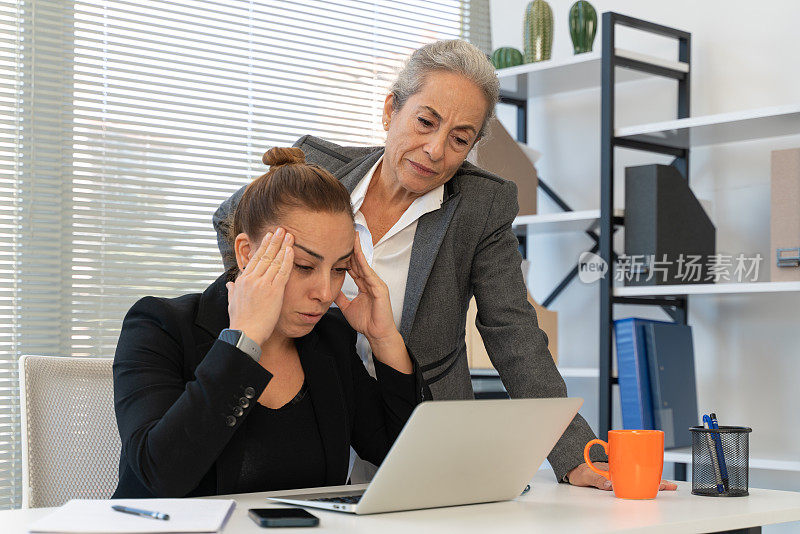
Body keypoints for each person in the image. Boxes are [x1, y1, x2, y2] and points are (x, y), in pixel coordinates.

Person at [214, 40, 676, 492]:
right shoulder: (317, 169)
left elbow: (513, 334)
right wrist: (264, 309)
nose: (436, 150)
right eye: (425, 122)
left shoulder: (480, 205)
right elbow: (230, 219)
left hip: (420, 422)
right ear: (390, 109)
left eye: (459, 139)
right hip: (310, 412)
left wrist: (576, 454)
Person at [112, 147, 427, 498]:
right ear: (246, 253)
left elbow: (405, 461)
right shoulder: (160, 327)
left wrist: (384, 338)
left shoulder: (331, 339)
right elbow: (161, 477)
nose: (325, 292)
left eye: (339, 269)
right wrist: (243, 342)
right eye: (305, 266)